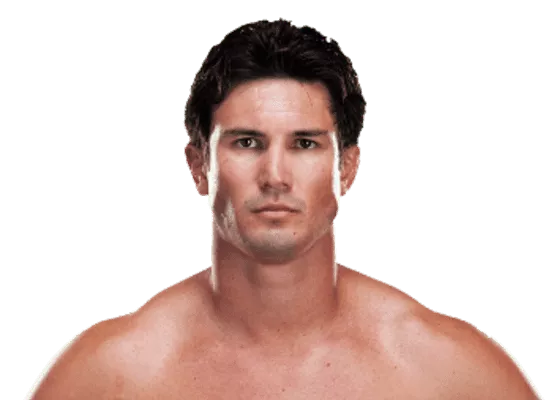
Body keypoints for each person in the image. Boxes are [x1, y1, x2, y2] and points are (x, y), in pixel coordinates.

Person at [26, 17, 542, 400]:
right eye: (247, 142)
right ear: (199, 166)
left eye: (305, 144)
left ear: (347, 169)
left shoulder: (446, 373)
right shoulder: (112, 376)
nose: (275, 175)